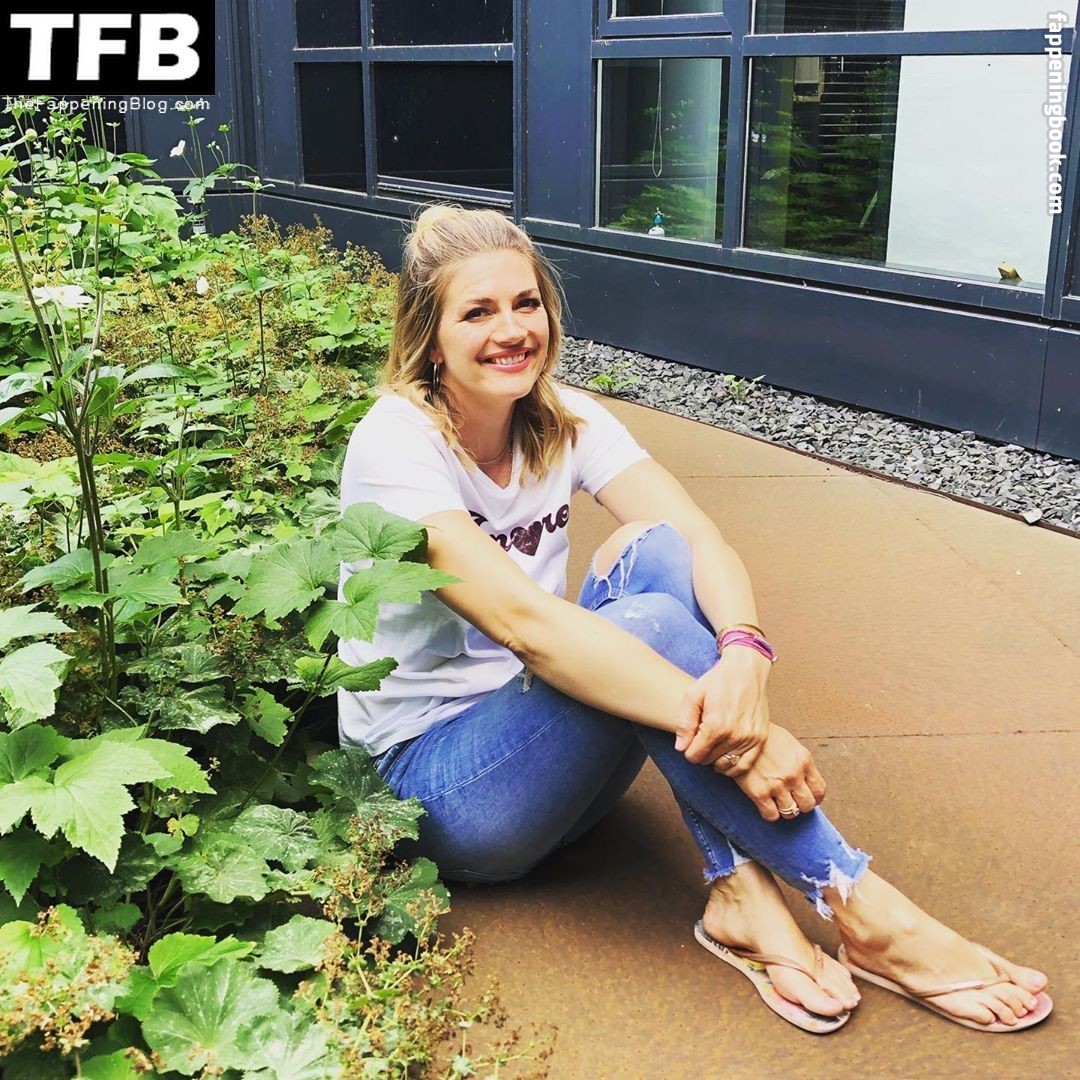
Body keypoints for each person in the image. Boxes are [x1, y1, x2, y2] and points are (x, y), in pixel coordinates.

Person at [336, 203, 1052, 1034]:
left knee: (660, 552)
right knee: (645, 627)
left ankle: (741, 893)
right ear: (430, 337)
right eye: (478, 312)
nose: (512, 330)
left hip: (548, 753)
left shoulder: (563, 419)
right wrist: (750, 741)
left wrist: (746, 661)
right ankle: (865, 910)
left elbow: (700, 537)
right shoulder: (398, 444)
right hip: (437, 792)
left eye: (526, 303)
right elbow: (526, 624)